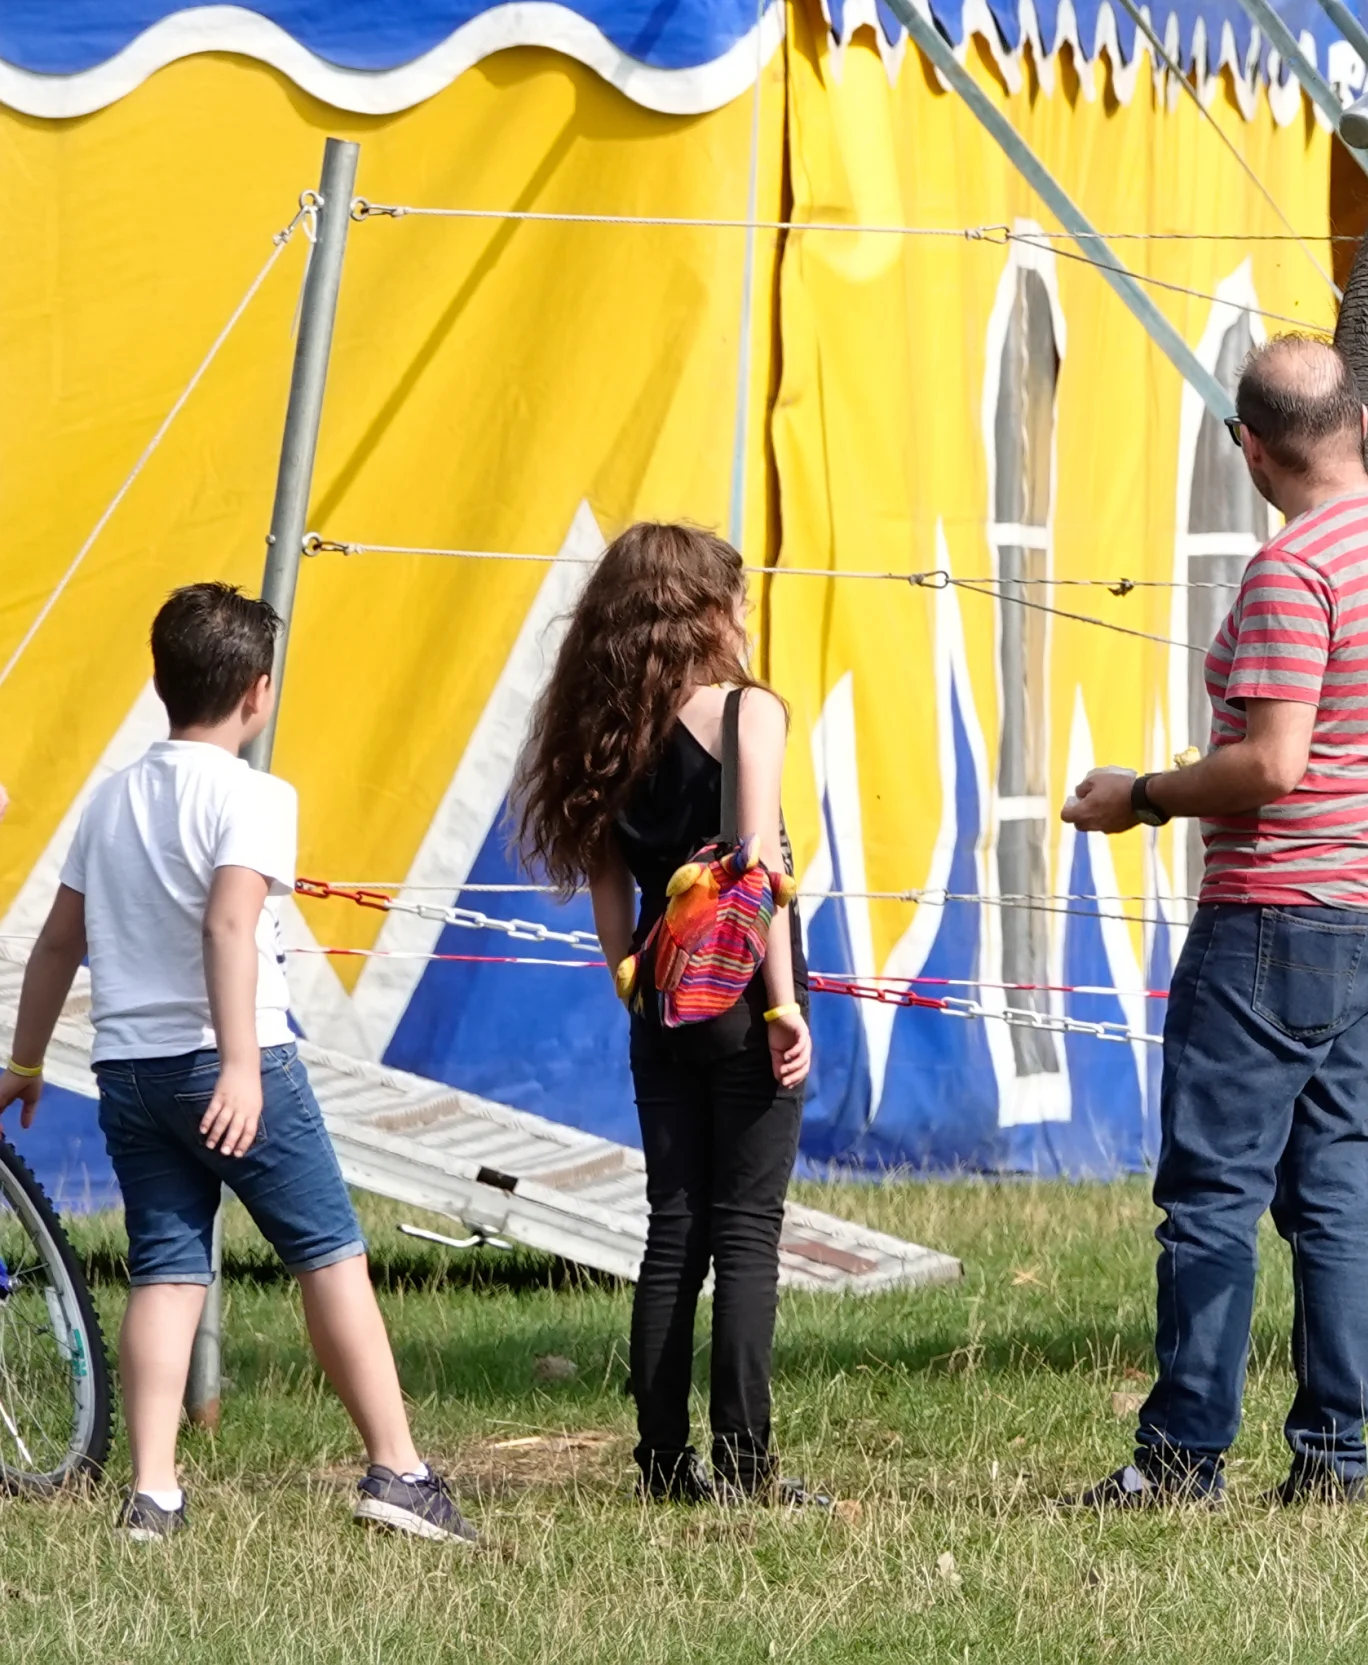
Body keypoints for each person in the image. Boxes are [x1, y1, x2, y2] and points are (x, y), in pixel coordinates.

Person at [1062, 335, 1368, 1508]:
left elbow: (1275, 763)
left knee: (1211, 1196)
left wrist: (1142, 796)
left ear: (1250, 446)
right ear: (1357, 423)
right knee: (1334, 1186)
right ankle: (1334, 1456)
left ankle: (1182, 1456)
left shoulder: (1294, 571)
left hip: (1283, 916)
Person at [1, 584, 481, 1545]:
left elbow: (57, 941)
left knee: (166, 1269)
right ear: (259, 692)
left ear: (159, 680)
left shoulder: (109, 800)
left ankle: (154, 1492)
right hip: (231, 1058)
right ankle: (398, 1468)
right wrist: (241, 1065)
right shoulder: (257, 795)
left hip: (130, 1073)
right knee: (329, 1253)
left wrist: (25, 1057)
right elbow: (228, 925)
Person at [507, 523, 818, 1506]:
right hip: (742, 987)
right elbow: (755, 869)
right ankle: (746, 1468)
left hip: (659, 991)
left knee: (674, 1228)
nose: (744, 613)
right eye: (735, 596)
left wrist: (636, 982)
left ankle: (663, 1462)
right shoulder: (747, 711)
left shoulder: (600, 730)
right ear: (703, 611)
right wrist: (781, 1004)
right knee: (748, 1231)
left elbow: (608, 885)